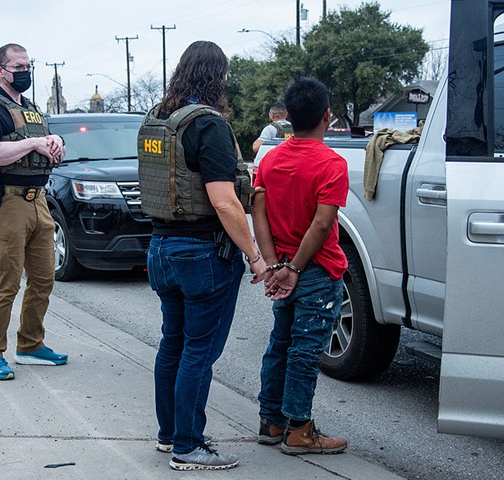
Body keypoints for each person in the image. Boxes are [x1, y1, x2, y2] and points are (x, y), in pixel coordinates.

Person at [138, 40, 268, 471]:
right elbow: (225, 201)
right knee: (199, 350)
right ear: (219, 77)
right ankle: (188, 446)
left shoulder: (158, 118)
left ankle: (170, 434)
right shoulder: (207, 126)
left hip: (161, 247)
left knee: (172, 342)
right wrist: (254, 254)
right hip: (201, 253)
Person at [252, 77, 349, 455]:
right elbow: (323, 223)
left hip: (283, 268)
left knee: (281, 343)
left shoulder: (270, 159)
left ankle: (271, 420)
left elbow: (258, 212)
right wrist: (294, 268)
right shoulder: (332, 163)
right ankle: (299, 429)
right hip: (317, 271)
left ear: (288, 117)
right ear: (326, 116)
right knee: (306, 350)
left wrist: (275, 264)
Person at [0, 43, 68, 381]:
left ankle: (30, 345)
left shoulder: (32, 109)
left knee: (44, 278)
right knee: (7, 281)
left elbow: (44, 144)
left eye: (28, 65)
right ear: (1, 70)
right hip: (7, 202)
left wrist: (55, 144)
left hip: (39, 200)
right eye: (18, 66)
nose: (25, 71)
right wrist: (32, 144)